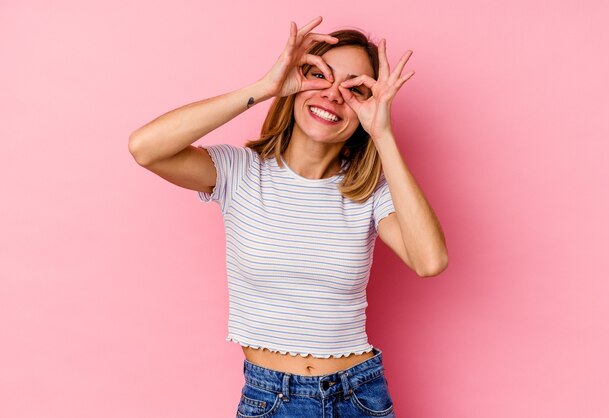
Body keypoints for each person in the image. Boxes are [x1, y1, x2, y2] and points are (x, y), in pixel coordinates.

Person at [129, 16, 447, 418]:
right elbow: (145, 148)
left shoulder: (369, 190)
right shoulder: (239, 171)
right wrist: (266, 87)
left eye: (354, 89)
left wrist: (383, 135)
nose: (332, 94)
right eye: (319, 76)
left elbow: (430, 261)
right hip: (272, 397)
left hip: (359, 395)